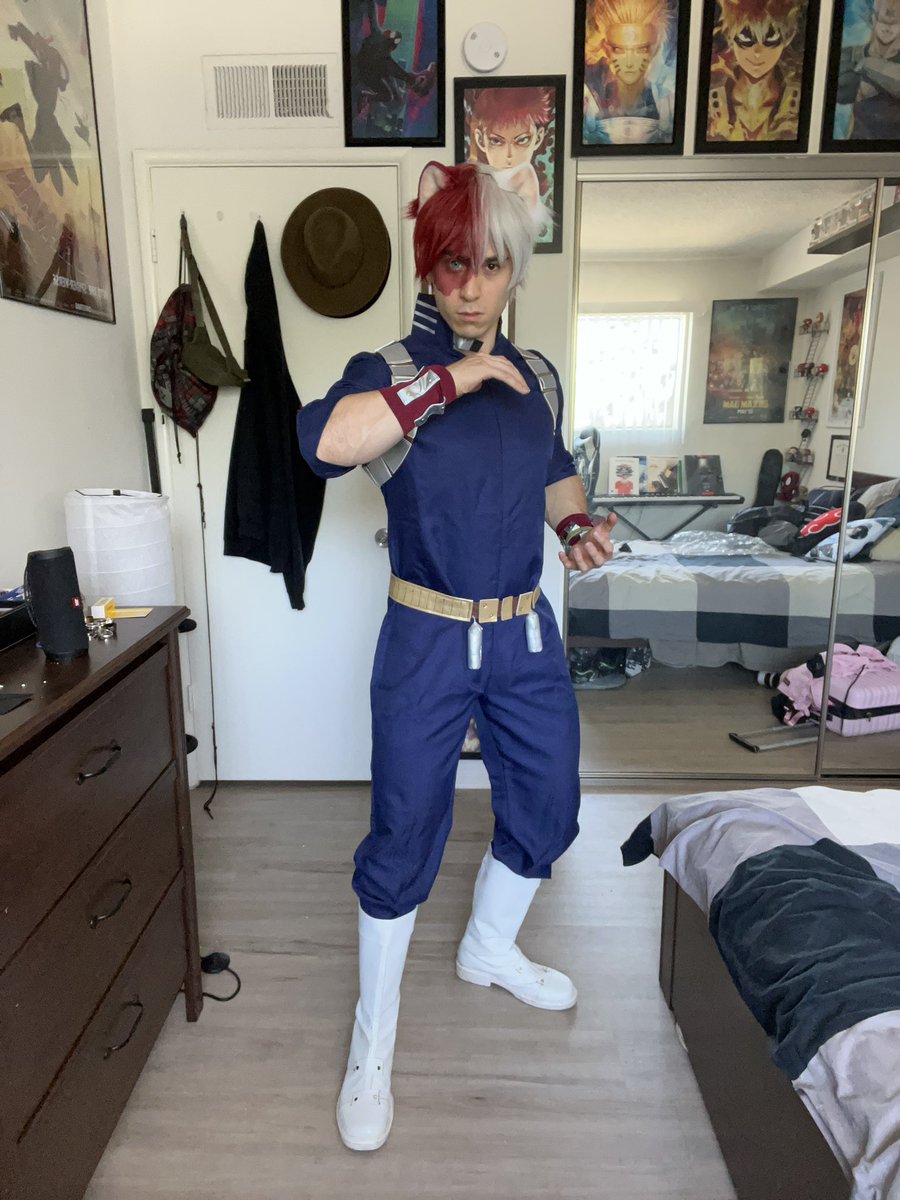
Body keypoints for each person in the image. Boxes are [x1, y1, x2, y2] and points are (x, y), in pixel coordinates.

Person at [296, 161, 616, 1153]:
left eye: (490, 265)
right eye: (451, 265)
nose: (471, 286)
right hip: (427, 634)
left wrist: (574, 527)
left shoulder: (540, 377)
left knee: (550, 804)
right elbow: (325, 442)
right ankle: (373, 1042)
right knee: (404, 830)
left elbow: (553, 471)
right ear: (428, 268)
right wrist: (454, 377)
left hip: (524, 634)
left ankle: (487, 948)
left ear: (514, 268)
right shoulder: (394, 366)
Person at [706, 0, 804, 142]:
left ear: (786, 39)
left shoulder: (800, 99)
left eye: (770, 39)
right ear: (731, 38)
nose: (757, 52)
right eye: (746, 38)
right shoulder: (710, 99)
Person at [582, 0, 675, 144]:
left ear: (654, 49)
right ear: (606, 49)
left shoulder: (667, 103)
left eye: (641, 49)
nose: (630, 63)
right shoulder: (589, 101)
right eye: (619, 49)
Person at [466, 86, 554, 237]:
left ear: (538, 138)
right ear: (480, 140)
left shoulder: (526, 178)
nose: (509, 155)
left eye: (522, 140)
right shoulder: (474, 184)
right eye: (496, 141)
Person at [837, 0, 900, 140]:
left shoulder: (860, 60)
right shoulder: (850, 55)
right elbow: (841, 92)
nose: (887, 29)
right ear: (873, 19)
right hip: (859, 142)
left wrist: (866, 65)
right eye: (883, 22)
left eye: (894, 24)